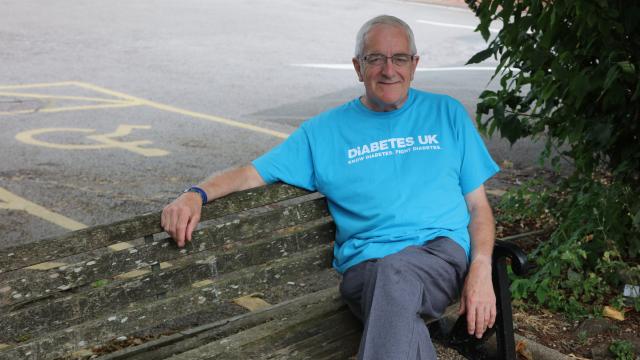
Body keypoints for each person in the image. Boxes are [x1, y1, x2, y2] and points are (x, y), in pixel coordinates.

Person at [162, 15, 499, 360]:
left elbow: (478, 207)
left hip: (439, 257)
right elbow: (251, 173)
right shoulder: (323, 132)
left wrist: (482, 267)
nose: (388, 70)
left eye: (399, 58)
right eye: (375, 59)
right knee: (393, 287)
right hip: (365, 270)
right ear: (357, 67)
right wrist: (196, 194)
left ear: (414, 65)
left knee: (394, 276)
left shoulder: (446, 114)